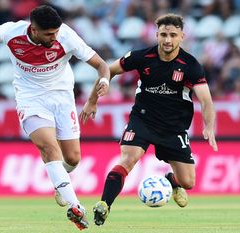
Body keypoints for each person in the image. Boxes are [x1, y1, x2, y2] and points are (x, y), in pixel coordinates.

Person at [0, 5, 110, 230]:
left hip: (61, 98)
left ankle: (59, 185)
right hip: (30, 98)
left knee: (73, 158)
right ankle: (75, 206)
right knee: (49, 148)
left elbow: (101, 65)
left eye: (56, 32)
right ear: (34, 30)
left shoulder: (67, 36)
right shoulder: (13, 32)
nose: (54, 37)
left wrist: (102, 84)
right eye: (49, 34)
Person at [80, 13, 218, 226]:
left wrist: (209, 126)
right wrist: (92, 101)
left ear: (182, 36)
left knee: (188, 182)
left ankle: (172, 182)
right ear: (156, 35)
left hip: (174, 128)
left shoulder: (190, 65)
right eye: (163, 34)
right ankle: (104, 205)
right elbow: (108, 69)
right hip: (142, 120)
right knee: (127, 159)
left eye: (173, 35)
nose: (167, 40)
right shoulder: (141, 56)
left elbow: (206, 100)